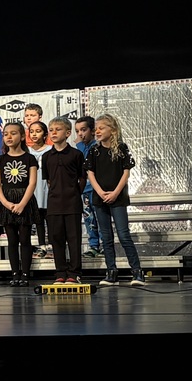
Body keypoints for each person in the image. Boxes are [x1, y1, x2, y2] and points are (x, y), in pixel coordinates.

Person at [85, 113, 145, 287]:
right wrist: (101, 192)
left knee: (124, 235)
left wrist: (115, 193)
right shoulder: (94, 150)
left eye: (101, 128)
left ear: (113, 130)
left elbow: (126, 172)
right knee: (106, 237)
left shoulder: (121, 148)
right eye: (96, 128)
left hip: (117, 198)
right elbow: (90, 173)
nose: (97, 131)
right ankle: (111, 272)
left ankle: (137, 272)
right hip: (100, 198)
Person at [0, 123, 39, 287]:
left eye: (13, 133)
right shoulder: (0, 160)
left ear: (21, 136)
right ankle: (15, 273)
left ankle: (25, 273)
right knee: (12, 240)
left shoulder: (29, 158)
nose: (9, 137)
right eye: (6, 134)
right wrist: (6, 203)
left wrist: (22, 204)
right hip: (7, 201)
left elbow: (32, 183)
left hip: (24, 200)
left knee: (25, 239)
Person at [41, 117, 85, 284]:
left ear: (67, 133)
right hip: (54, 204)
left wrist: (73, 193)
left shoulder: (76, 154)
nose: (53, 132)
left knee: (74, 240)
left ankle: (74, 273)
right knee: (57, 239)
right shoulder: (47, 157)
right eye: (51, 129)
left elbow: (82, 178)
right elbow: (49, 180)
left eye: (57, 129)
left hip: (72, 203)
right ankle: (60, 271)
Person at [76, 116, 102, 258]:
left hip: (97, 190)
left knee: (100, 217)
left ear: (92, 130)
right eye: (78, 131)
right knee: (89, 219)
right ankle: (94, 245)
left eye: (83, 130)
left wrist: (79, 145)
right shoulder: (80, 147)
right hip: (84, 190)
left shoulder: (97, 147)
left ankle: (105, 245)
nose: (80, 134)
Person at [26, 121, 52, 260]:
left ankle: (52, 246)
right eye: (32, 131)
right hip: (34, 188)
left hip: (47, 188)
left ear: (45, 134)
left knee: (50, 218)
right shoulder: (27, 151)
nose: (34, 134)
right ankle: (41, 246)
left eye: (38, 131)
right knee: (38, 219)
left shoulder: (50, 150)